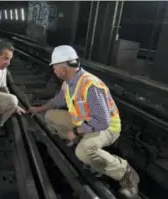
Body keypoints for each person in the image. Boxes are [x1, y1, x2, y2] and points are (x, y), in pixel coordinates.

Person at [28, 45, 140, 198]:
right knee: (49, 116)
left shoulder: (90, 85)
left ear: (62, 69)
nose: (53, 70)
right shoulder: (69, 82)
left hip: (107, 128)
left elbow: (102, 121)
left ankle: (126, 173)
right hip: (85, 122)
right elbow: (58, 100)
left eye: (54, 67)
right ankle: (82, 140)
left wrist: (75, 132)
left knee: (83, 151)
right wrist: (39, 109)